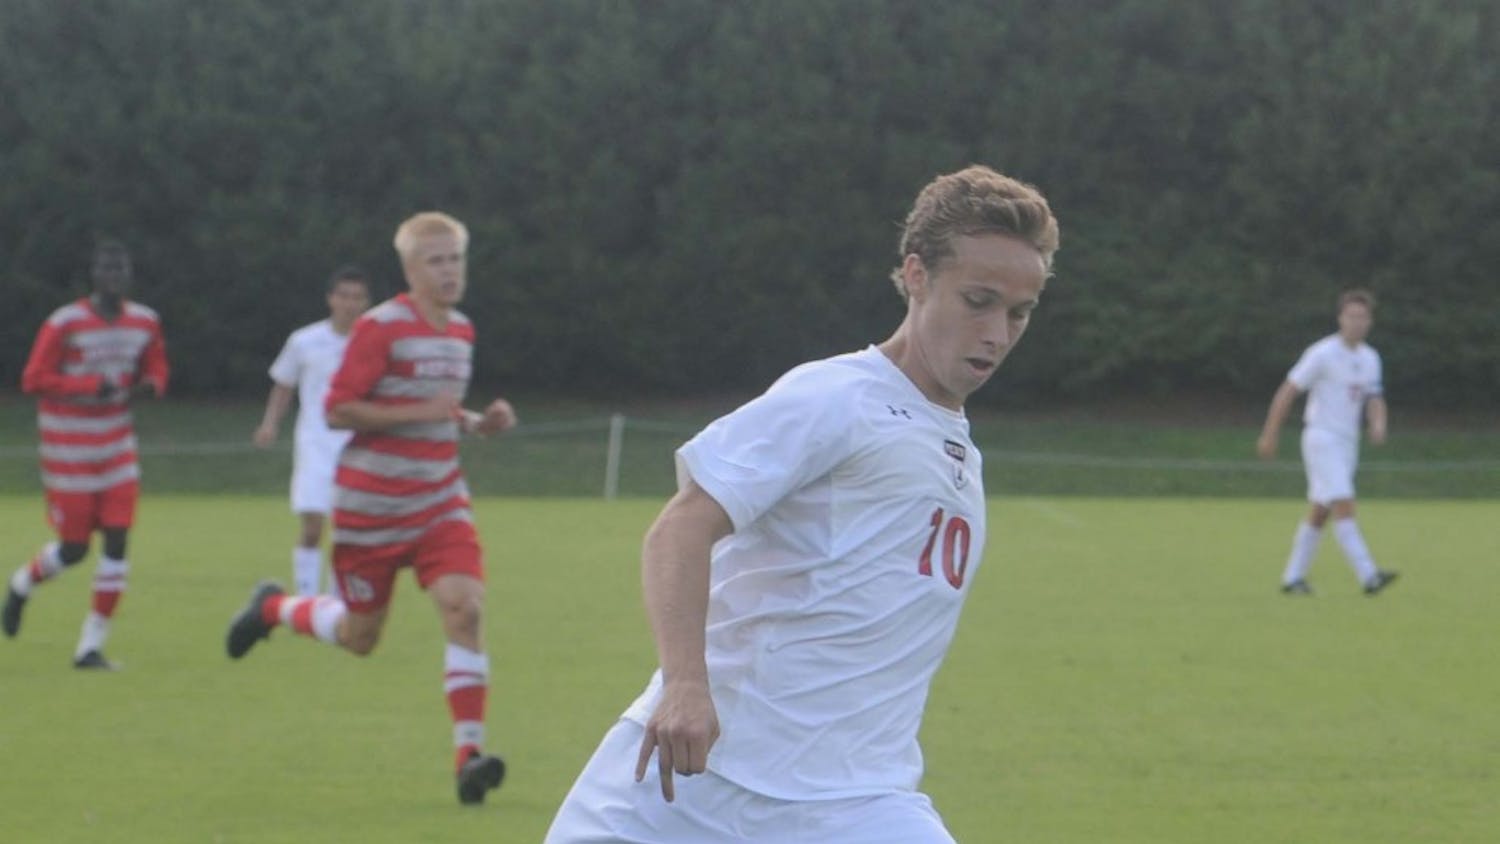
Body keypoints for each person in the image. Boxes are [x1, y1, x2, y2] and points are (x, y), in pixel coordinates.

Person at [544, 165, 1059, 844]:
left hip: (856, 802)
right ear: (916, 276)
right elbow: (682, 525)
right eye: (979, 301)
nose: (998, 332)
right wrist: (685, 686)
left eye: (1018, 313)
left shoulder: (955, 447)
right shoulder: (837, 397)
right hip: (691, 785)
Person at [224, 212, 516, 805]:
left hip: (439, 502)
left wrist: (478, 423)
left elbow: (438, 409)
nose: (449, 270)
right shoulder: (380, 328)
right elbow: (339, 410)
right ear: (410, 269)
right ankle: (275, 606)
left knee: (465, 609)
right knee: (360, 639)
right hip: (369, 512)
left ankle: (469, 756)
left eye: (455, 258)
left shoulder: (460, 330)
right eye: (435, 261)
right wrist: (427, 412)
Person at [3, 239, 169, 670]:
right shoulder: (65, 323)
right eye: (106, 270)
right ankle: (21, 585)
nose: (114, 278)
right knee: (74, 549)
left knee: (118, 540)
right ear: (93, 276)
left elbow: (156, 365)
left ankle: (90, 646)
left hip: (116, 448)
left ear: (128, 276)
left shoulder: (145, 321)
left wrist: (153, 383)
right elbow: (33, 378)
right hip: (68, 452)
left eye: (121, 270)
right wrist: (87, 387)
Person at [1257, 289, 1398, 596]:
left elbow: (1375, 397)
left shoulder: (1370, 358)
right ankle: (1369, 575)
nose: (1357, 322)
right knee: (1344, 503)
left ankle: (1293, 578)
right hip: (1322, 437)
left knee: (1321, 511)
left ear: (1370, 321)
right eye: (1351, 316)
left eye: (1363, 317)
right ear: (1340, 318)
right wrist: (1270, 432)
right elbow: (1288, 391)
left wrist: (1378, 423)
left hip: (1348, 443)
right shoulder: (1322, 353)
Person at [252, 266, 373, 595]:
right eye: (343, 296)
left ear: (365, 302)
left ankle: (338, 598)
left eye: (357, 297)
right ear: (331, 299)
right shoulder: (304, 340)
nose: (349, 304)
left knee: (348, 528)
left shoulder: (373, 341)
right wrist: (270, 424)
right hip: (315, 444)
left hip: (360, 446)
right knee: (312, 524)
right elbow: (283, 385)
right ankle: (307, 595)